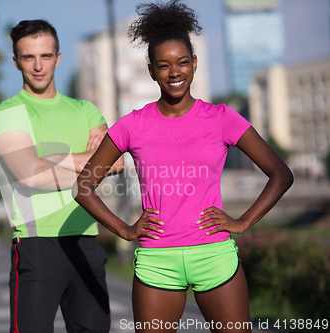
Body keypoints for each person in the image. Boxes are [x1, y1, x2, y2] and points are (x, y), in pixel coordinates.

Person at [73, 1, 294, 332]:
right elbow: (83, 187)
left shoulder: (222, 119)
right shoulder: (131, 126)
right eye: (163, 65)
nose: (174, 72)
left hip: (215, 257)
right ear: (151, 71)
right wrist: (125, 230)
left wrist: (244, 221)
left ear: (194, 64)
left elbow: (281, 173)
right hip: (156, 264)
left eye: (181, 63)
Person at [0, 19, 123, 333]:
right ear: (16, 62)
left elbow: (116, 164)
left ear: (58, 57)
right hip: (37, 246)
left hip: (86, 243)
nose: (38, 66)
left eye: (46, 56)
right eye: (28, 57)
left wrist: (49, 159)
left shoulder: (86, 110)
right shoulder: (9, 113)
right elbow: (30, 175)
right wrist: (91, 164)